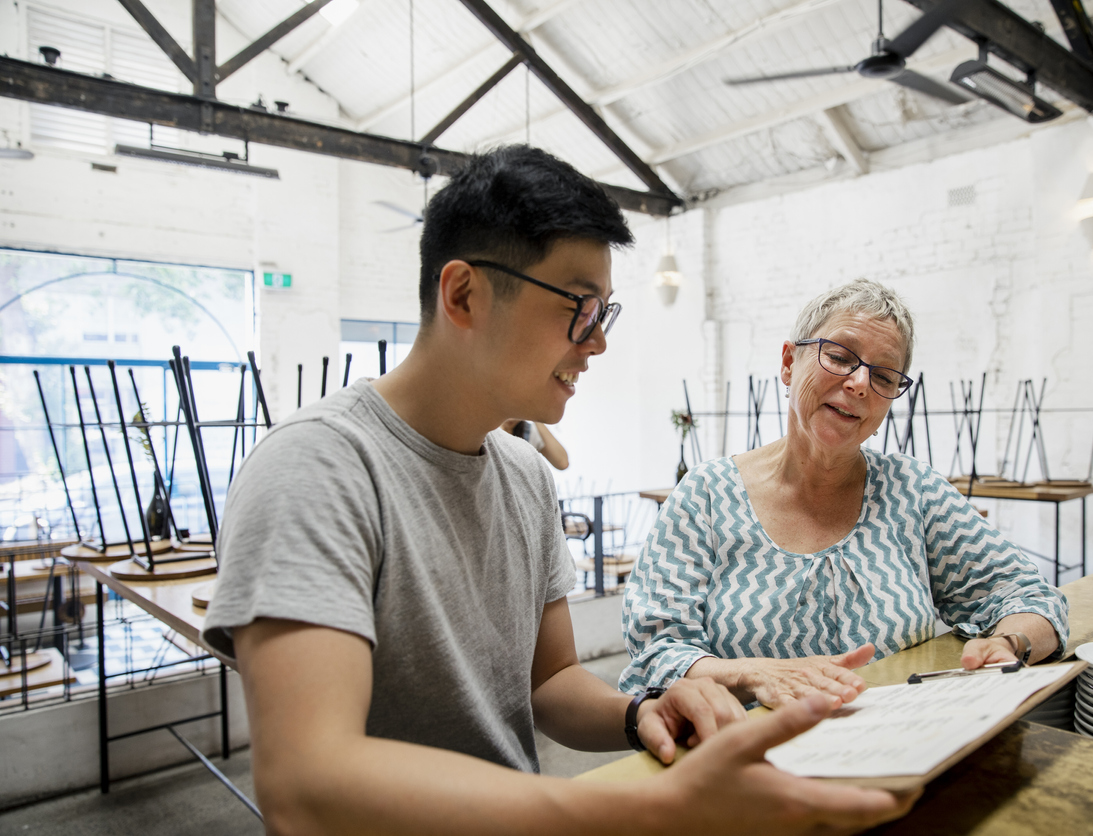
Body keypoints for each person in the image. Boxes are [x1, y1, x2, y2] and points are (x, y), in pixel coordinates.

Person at [202, 147, 917, 836]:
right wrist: (653, 812)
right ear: (464, 294)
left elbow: (549, 684)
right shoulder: (317, 467)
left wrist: (643, 711)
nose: (597, 342)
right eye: (580, 306)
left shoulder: (522, 476)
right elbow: (308, 791)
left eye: (606, 312)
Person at [621, 279, 1069, 708]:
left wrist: (1011, 642)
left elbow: (1030, 595)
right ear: (788, 362)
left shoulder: (913, 491)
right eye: (839, 356)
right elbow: (657, 655)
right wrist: (754, 674)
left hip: (898, 750)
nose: (858, 383)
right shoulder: (707, 497)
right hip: (748, 760)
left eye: (884, 375)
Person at [499, 418, 569, 469]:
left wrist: (535, 417)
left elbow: (562, 463)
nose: (512, 419)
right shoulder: (490, 432)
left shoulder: (528, 432)